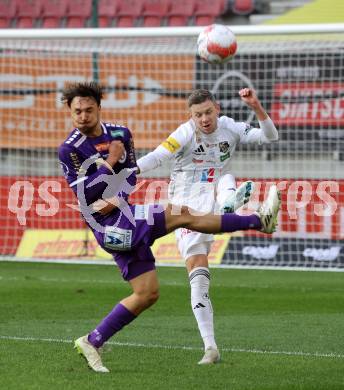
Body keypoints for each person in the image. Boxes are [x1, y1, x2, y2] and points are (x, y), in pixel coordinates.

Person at [58, 82, 281, 373]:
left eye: (89, 110)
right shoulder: (70, 149)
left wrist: (116, 190)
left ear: (99, 107)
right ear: (69, 112)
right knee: (182, 214)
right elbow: (85, 195)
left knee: (147, 293)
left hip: (124, 214)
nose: (83, 116)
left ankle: (92, 340)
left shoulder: (121, 134)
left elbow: (130, 178)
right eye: (77, 112)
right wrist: (110, 161)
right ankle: (256, 221)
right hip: (106, 225)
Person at [136, 88, 278, 364]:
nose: (204, 119)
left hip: (214, 191)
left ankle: (228, 206)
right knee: (199, 279)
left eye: (208, 112)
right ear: (191, 116)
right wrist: (128, 171)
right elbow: (156, 156)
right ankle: (210, 347)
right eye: (198, 114)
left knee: (226, 177)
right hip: (184, 207)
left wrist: (257, 106)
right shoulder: (184, 133)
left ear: (218, 109)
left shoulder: (229, 127)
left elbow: (269, 136)